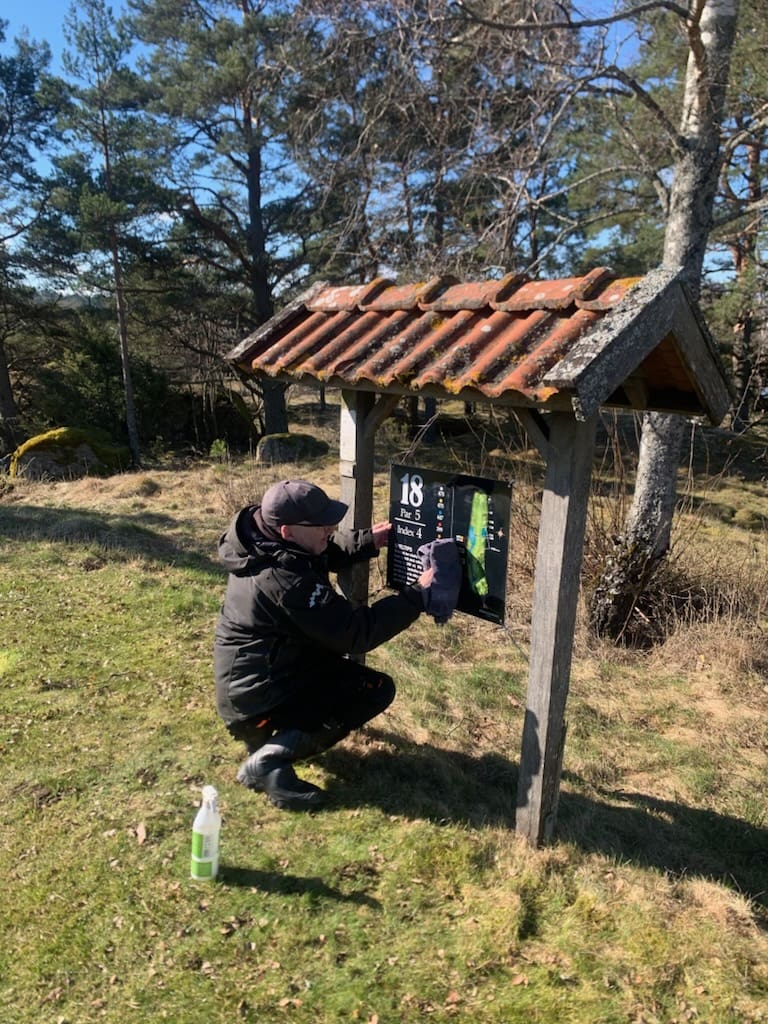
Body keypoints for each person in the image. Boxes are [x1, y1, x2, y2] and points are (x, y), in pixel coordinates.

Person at [213, 478, 436, 810]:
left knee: (343, 677)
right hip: (258, 702)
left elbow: (321, 552)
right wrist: (416, 596)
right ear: (287, 531)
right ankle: (268, 761)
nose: (330, 529)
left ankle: (270, 749)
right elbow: (356, 633)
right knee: (372, 690)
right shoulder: (285, 583)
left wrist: (367, 541)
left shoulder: (264, 544)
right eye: (321, 525)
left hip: (260, 682)